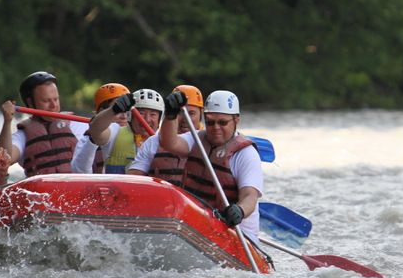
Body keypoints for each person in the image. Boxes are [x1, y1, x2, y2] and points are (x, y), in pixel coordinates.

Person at [158, 90, 264, 243]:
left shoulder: (246, 154)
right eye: (210, 122)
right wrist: (170, 115)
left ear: (236, 120)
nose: (215, 127)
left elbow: (250, 196)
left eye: (222, 122)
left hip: (236, 233)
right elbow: (168, 142)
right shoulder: (197, 138)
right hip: (199, 226)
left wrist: (240, 210)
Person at [0, 71, 87, 176]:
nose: (54, 105)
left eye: (56, 99)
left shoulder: (78, 125)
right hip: (43, 191)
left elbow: (103, 137)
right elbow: (6, 157)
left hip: (77, 186)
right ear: (30, 103)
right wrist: (7, 121)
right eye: (46, 101)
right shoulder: (23, 136)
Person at [127, 84, 204, 186]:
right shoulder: (153, 142)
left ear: (201, 114)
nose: (185, 119)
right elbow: (132, 180)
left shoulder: (209, 142)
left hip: (195, 201)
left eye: (191, 113)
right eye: (179, 112)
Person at [73, 88, 163, 174]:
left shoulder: (166, 141)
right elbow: (95, 130)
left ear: (159, 119)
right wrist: (113, 110)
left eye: (153, 114)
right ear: (130, 115)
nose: (147, 119)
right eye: (141, 113)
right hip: (116, 189)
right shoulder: (115, 131)